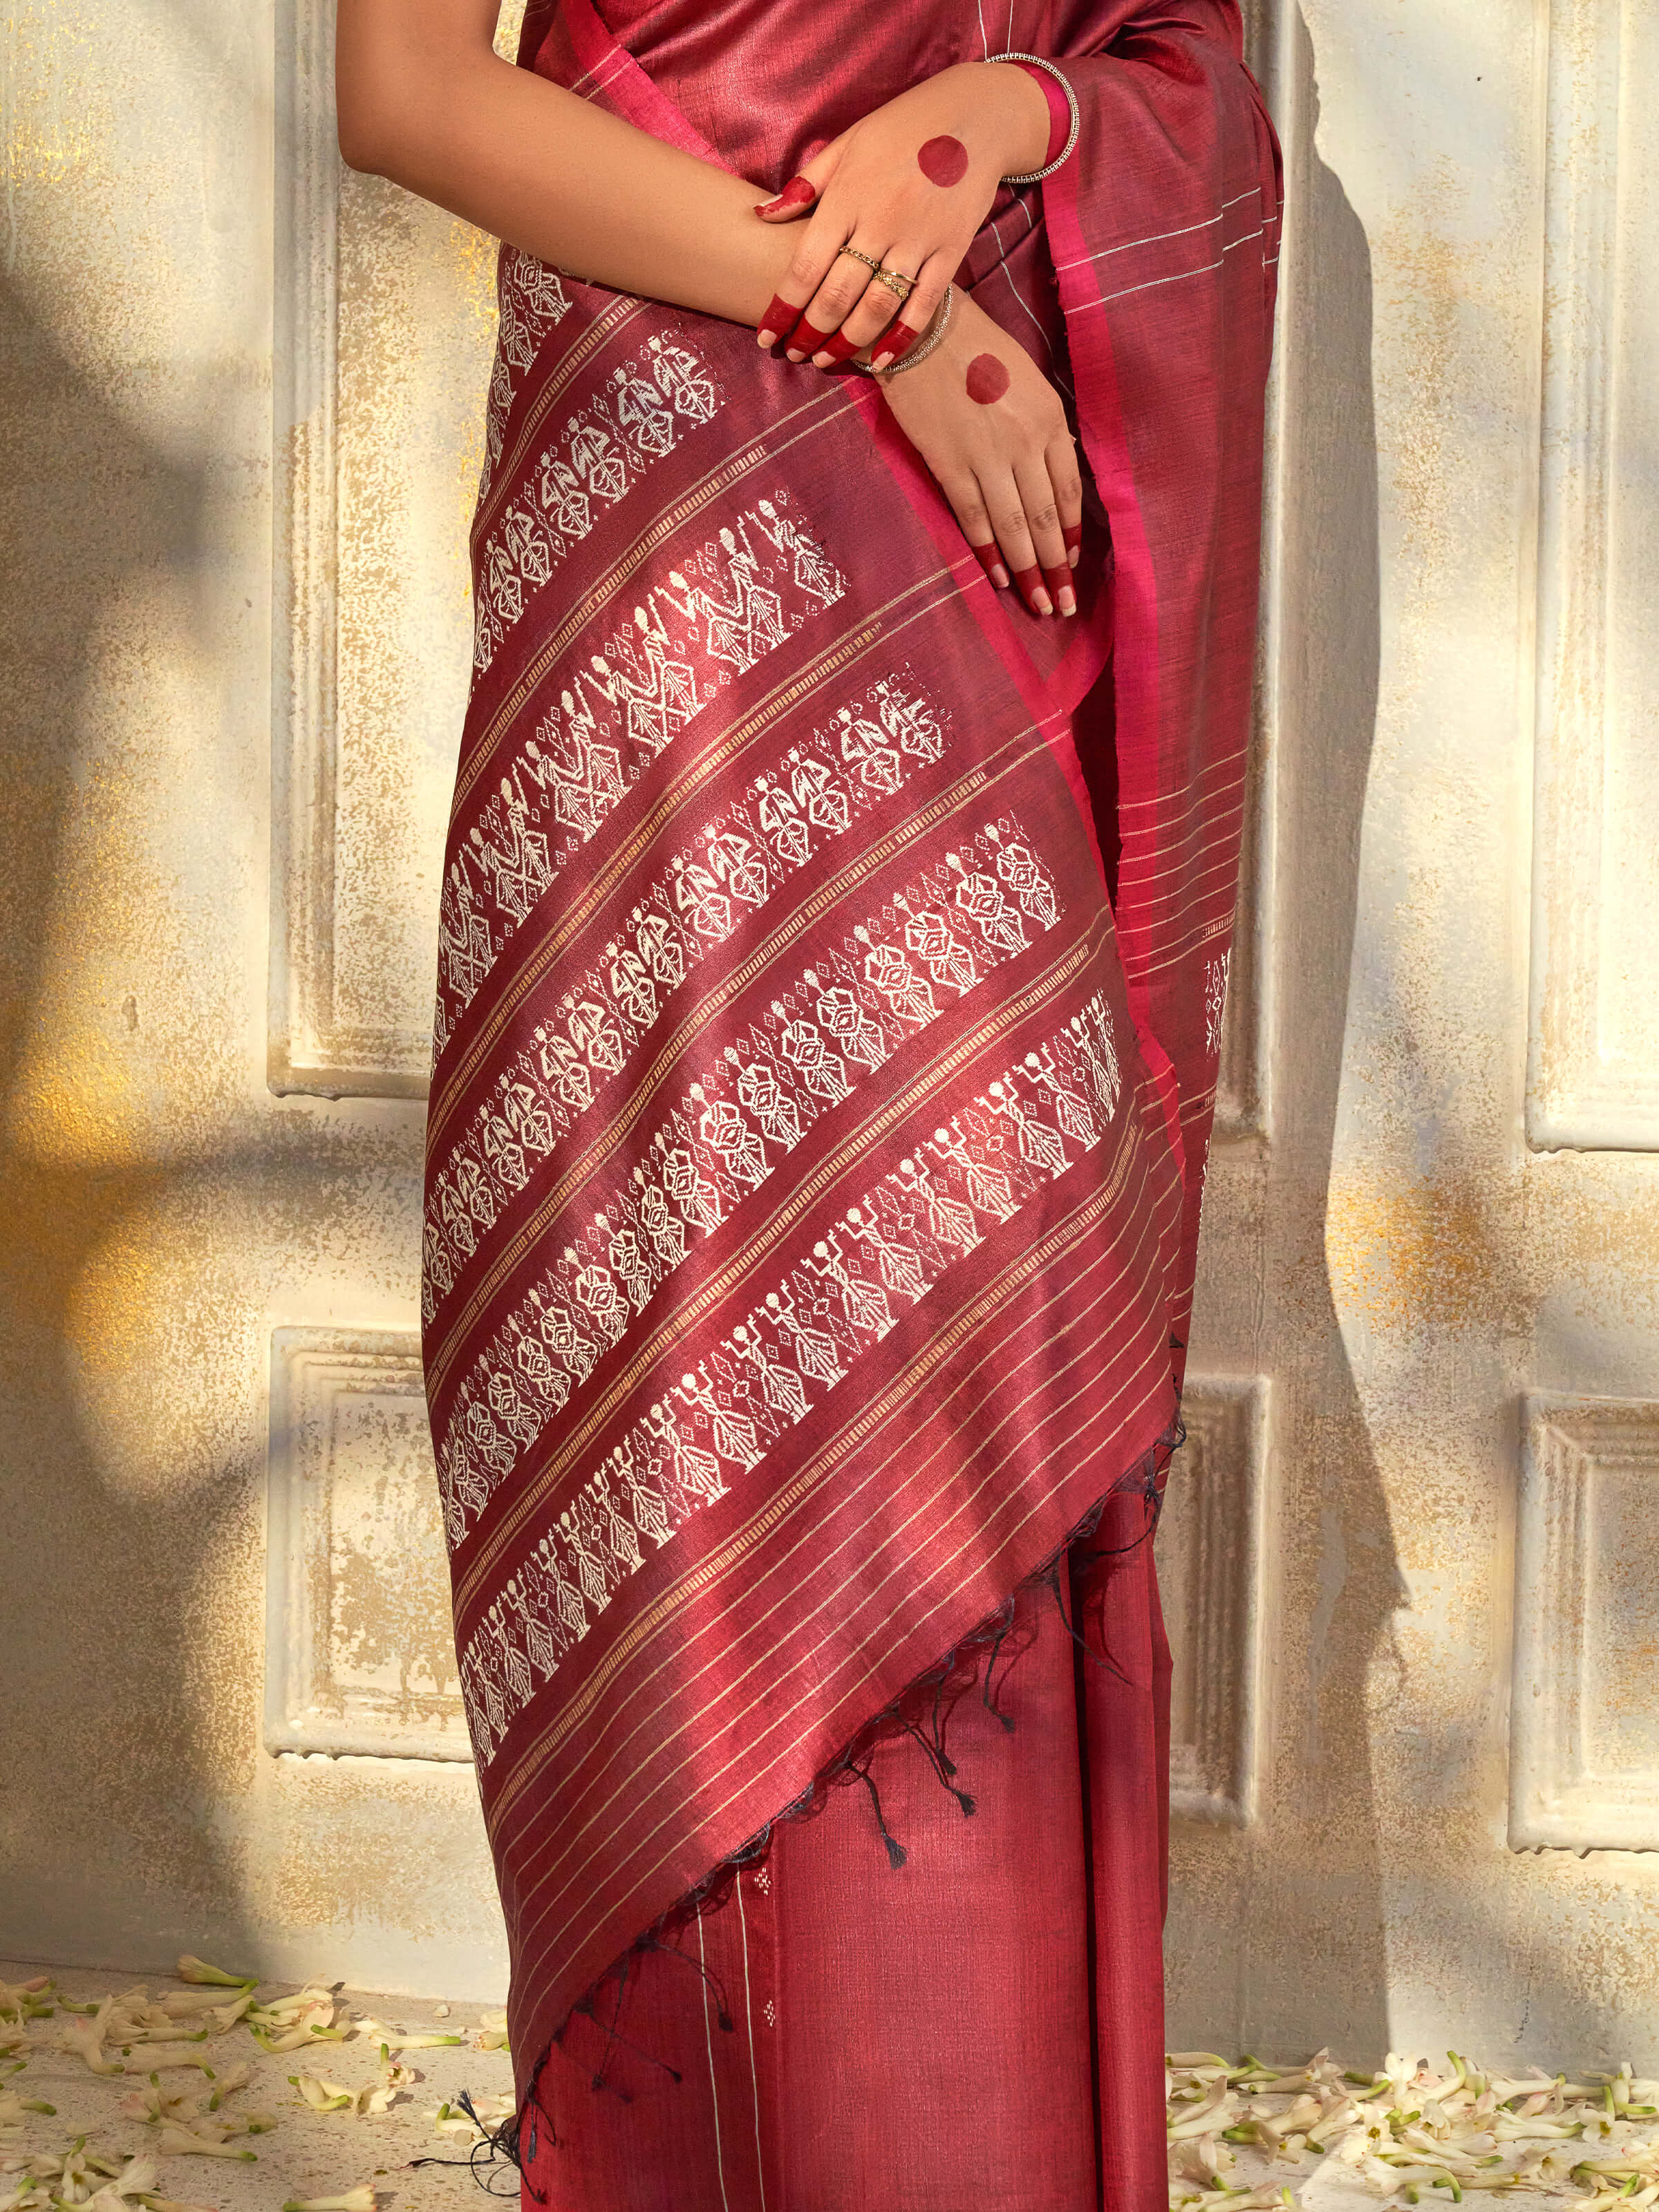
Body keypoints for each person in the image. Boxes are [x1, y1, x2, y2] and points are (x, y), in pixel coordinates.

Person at [336, 2, 1280, 2204]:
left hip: (1010, 553)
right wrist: (895, 335)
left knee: (984, 1319)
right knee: (709, 1352)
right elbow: (409, 92)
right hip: (681, 558)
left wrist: (998, 115)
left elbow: (1177, 62)